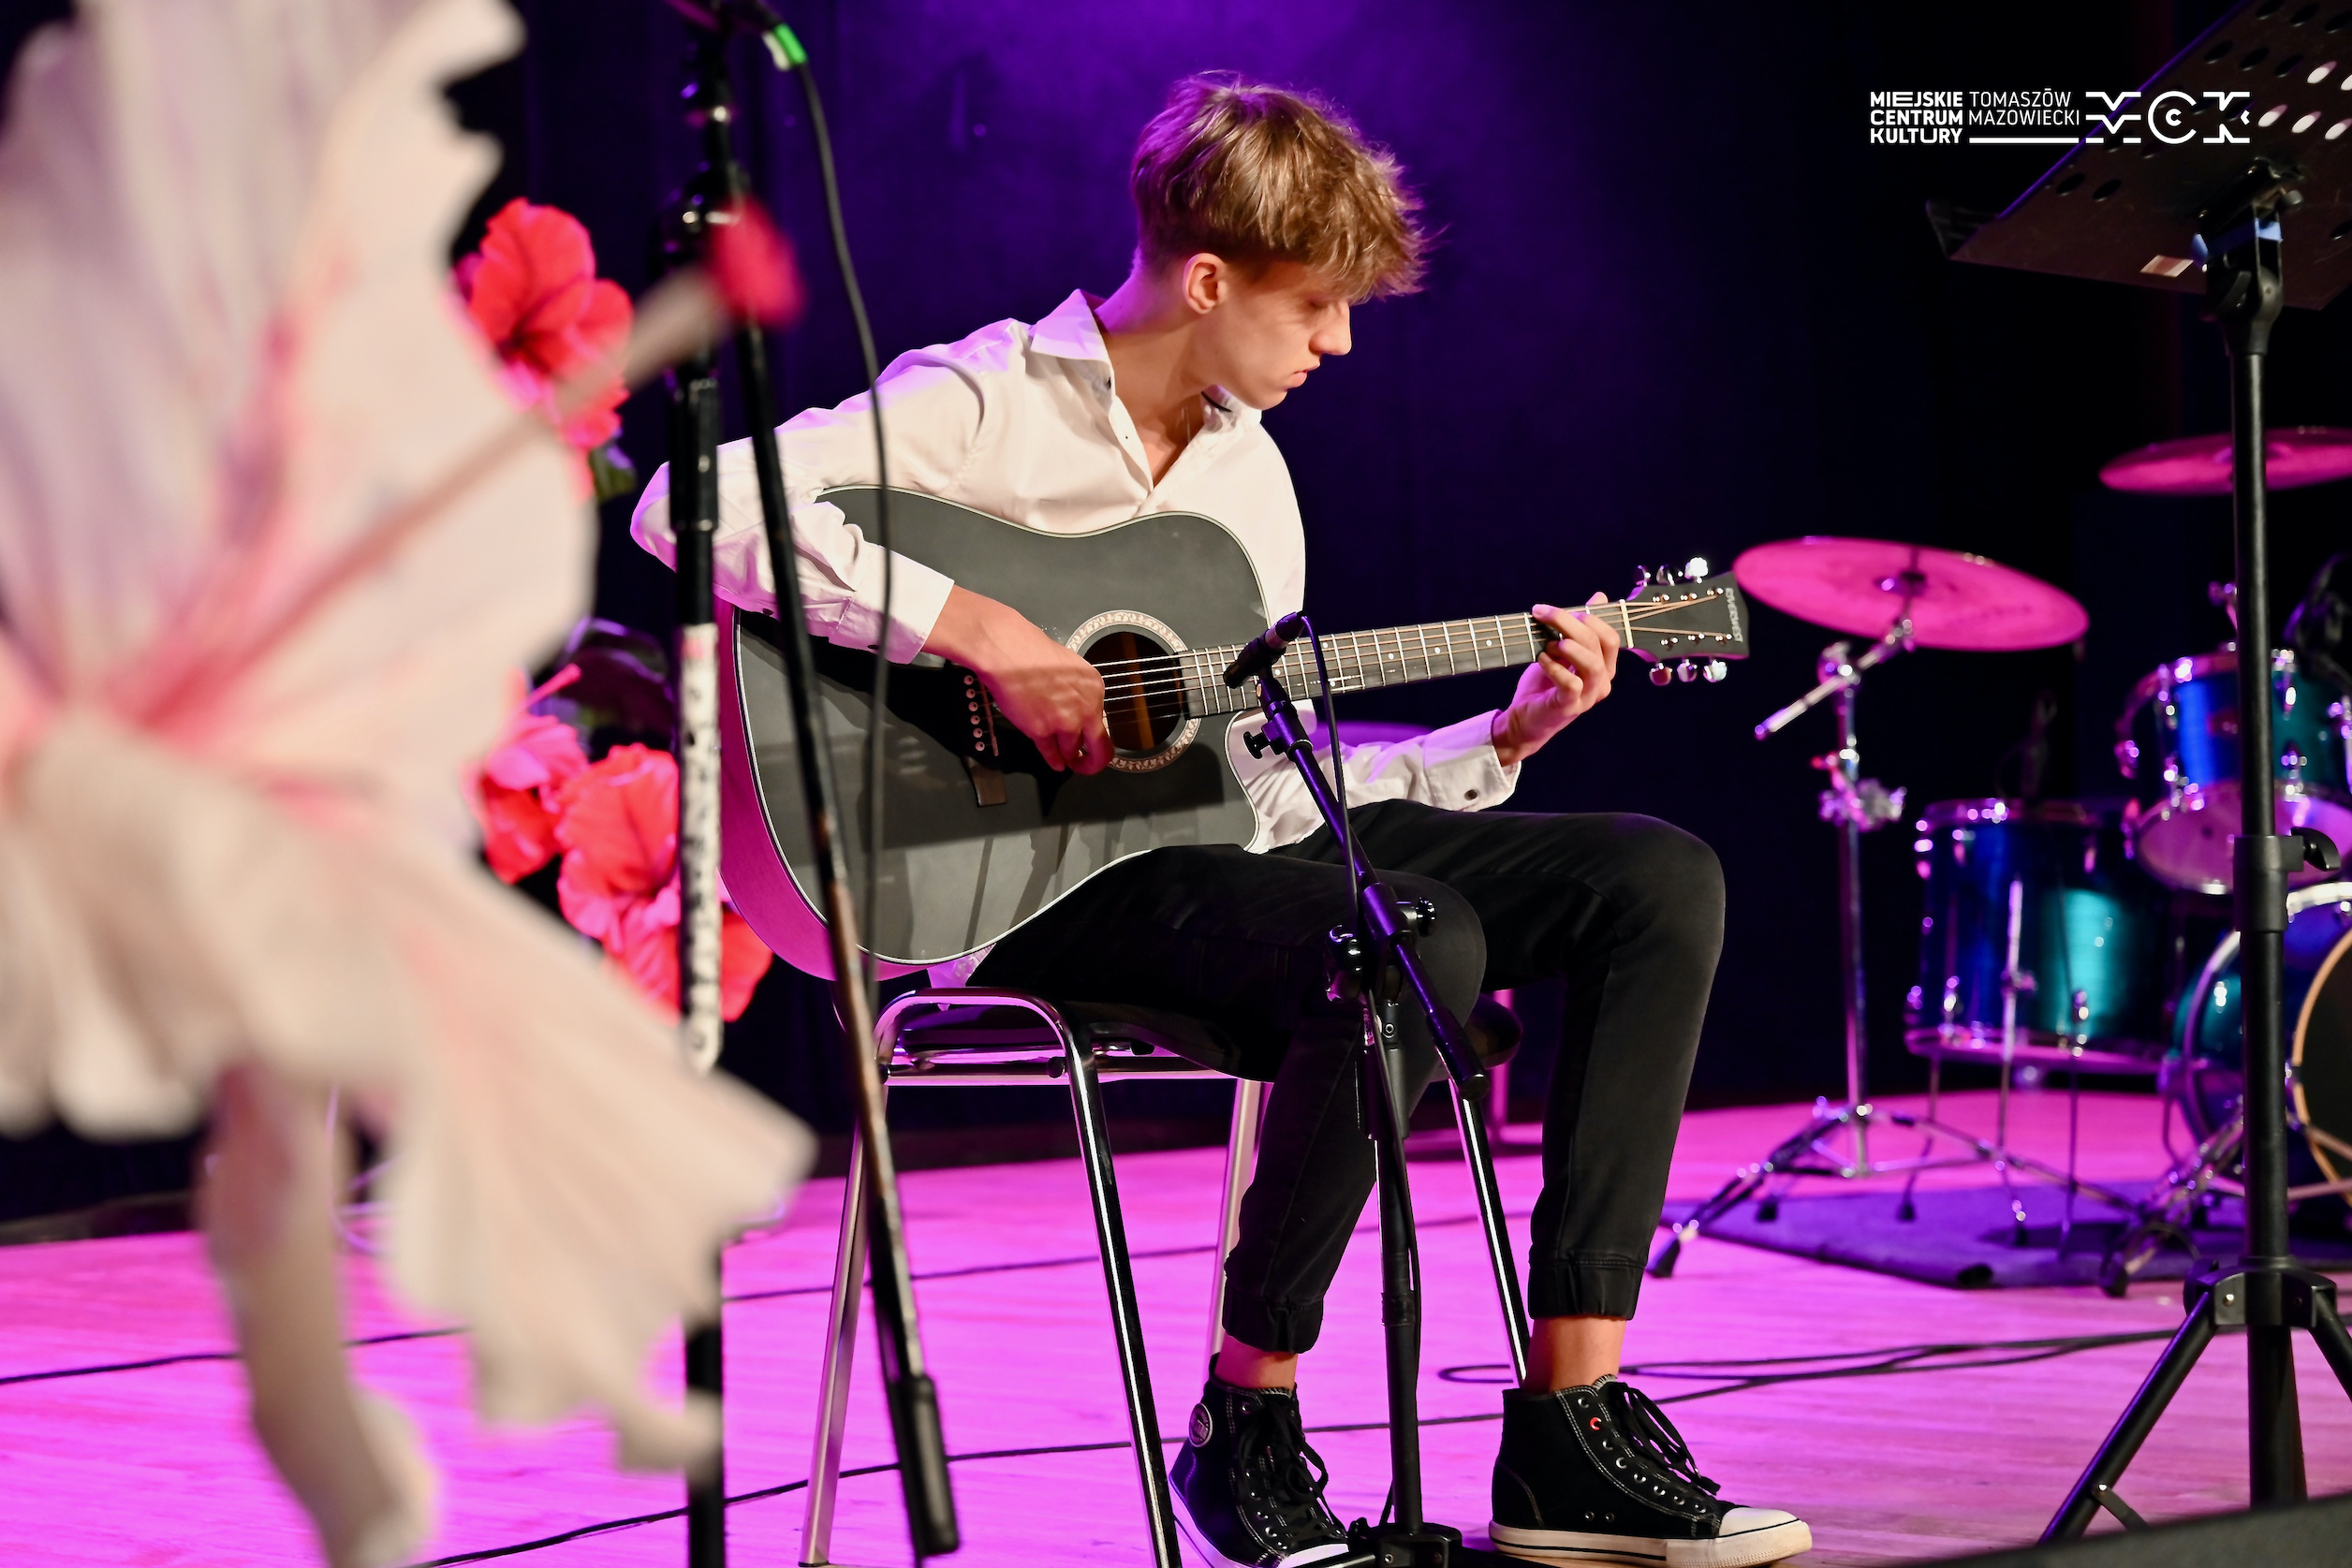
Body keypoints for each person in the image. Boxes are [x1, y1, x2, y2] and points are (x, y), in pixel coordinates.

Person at [635, 73, 1809, 1568]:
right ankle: (1248, 1417)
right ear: (1206, 282)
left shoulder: (1251, 479)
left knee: (1655, 880)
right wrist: (973, 627)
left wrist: (1499, 739)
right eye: (1315, 305)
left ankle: (1569, 1429)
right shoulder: (988, 398)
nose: (1338, 343)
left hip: (1200, 862)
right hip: (1000, 885)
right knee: (1408, 941)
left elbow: (1258, 794)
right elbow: (686, 505)